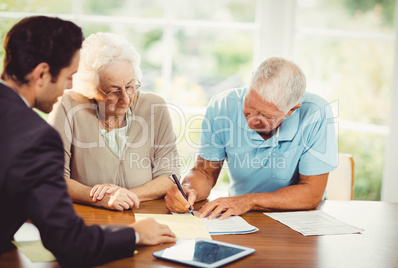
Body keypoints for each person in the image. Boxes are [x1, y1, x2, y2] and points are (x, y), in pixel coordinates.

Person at [0, 16, 175, 267]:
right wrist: (137, 233)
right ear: (41, 74)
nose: (71, 85)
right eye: (68, 76)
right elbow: (70, 244)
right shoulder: (35, 138)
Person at [165, 57, 337, 220]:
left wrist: (247, 201)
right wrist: (188, 190)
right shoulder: (222, 106)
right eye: (250, 106)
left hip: (298, 217)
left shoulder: (316, 112)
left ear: (291, 110)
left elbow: (312, 192)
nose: (252, 119)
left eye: (266, 115)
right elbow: (204, 172)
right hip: (240, 216)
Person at [47, 32, 180, 211]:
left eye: (130, 86)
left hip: (144, 214)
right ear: (90, 89)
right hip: (85, 217)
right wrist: (97, 197)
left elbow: (169, 175)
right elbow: (53, 178)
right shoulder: (67, 106)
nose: (125, 99)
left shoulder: (154, 106)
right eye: (114, 91)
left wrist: (127, 196)